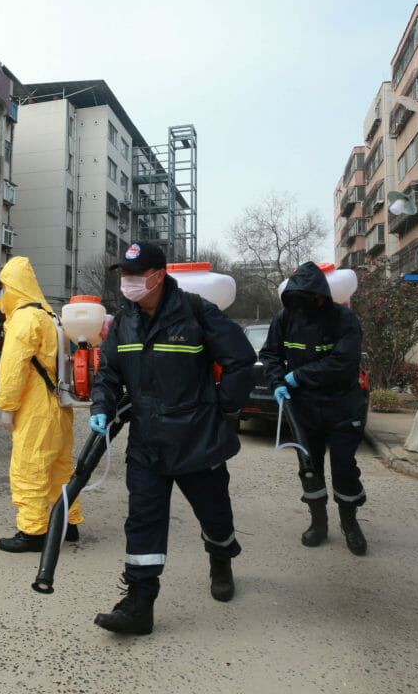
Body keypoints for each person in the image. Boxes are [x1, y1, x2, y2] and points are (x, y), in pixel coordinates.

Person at [87, 242, 256, 635]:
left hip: (197, 440)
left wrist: (222, 406)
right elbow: (109, 372)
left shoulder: (197, 312)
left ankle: (220, 559)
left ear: (159, 275)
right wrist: (101, 407)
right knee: (143, 520)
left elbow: (242, 361)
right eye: (124, 275)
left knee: (214, 515)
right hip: (147, 442)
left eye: (135, 275)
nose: (127, 283)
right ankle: (139, 604)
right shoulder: (123, 322)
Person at [257, 261, 368, 556]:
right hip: (303, 409)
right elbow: (270, 354)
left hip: (341, 406)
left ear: (321, 295)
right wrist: (277, 381)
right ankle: (318, 523)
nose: (304, 304)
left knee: (344, 468)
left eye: (310, 298)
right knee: (309, 470)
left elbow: (344, 362)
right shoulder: (285, 318)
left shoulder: (343, 319)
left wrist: (299, 375)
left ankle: (350, 524)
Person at [0, 256, 83, 553]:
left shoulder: (24, 319)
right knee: (61, 469)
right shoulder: (50, 316)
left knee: (29, 468)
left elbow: (14, 366)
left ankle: (32, 533)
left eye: (2, 288)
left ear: (13, 287)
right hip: (60, 405)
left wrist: (7, 406)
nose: (0, 295)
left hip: (36, 409)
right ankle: (68, 524)